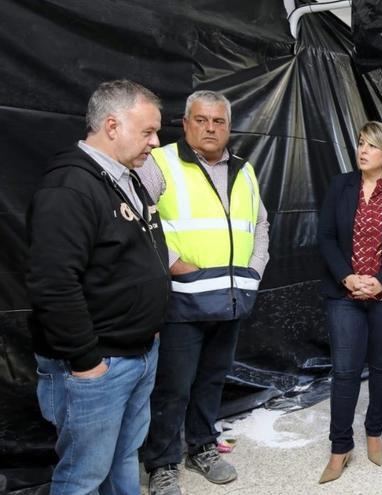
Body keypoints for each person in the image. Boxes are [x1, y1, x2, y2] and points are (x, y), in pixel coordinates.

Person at [27, 79, 169, 494]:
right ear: (112, 126)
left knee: (125, 456)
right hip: (98, 364)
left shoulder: (127, 178)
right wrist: (88, 362)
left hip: (138, 352)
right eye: (147, 131)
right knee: (84, 476)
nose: (156, 143)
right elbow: (52, 284)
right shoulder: (69, 186)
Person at [138, 90, 270, 495]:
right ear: (185, 122)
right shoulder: (159, 163)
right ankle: (161, 463)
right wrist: (175, 263)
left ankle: (202, 447)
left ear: (229, 127)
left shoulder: (244, 170)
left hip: (229, 298)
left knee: (212, 379)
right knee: (173, 386)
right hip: (182, 299)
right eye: (202, 120)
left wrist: (255, 269)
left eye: (219, 121)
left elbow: (261, 223)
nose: (210, 128)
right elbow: (142, 219)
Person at [316, 121, 382, 483]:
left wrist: (380, 282)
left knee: (381, 366)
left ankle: (374, 431)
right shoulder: (340, 185)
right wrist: (348, 277)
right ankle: (340, 446)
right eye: (360, 143)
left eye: (371, 146)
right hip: (345, 294)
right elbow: (326, 237)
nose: (363, 150)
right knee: (344, 371)